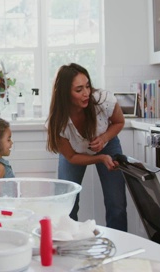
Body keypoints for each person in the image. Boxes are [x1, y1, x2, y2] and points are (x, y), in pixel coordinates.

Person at [46, 63, 128, 231]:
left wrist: (104, 138)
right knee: (67, 203)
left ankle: (119, 248)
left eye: (88, 86)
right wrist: (99, 158)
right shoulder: (57, 123)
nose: (86, 94)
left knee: (116, 202)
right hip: (74, 153)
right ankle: (70, 243)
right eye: (79, 90)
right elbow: (71, 157)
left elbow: (119, 122)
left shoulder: (103, 101)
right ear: (64, 93)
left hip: (108, 143)